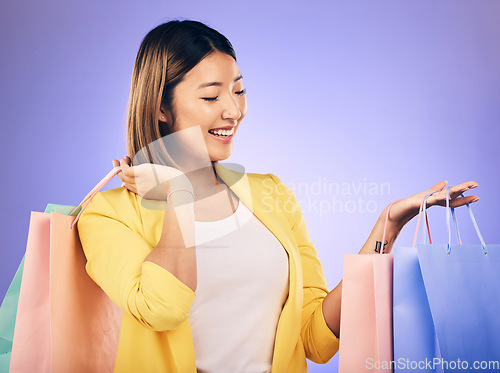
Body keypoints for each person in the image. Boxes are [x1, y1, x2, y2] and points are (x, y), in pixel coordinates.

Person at [76, 19, 479, 373]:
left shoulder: (270, 193)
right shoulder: (108, 215)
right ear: (162, 107)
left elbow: (316, 338)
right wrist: (179, 194)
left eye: (239, 90)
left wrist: (387, 226)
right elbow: (161, 308)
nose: (233, 111)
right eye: (212, 96)